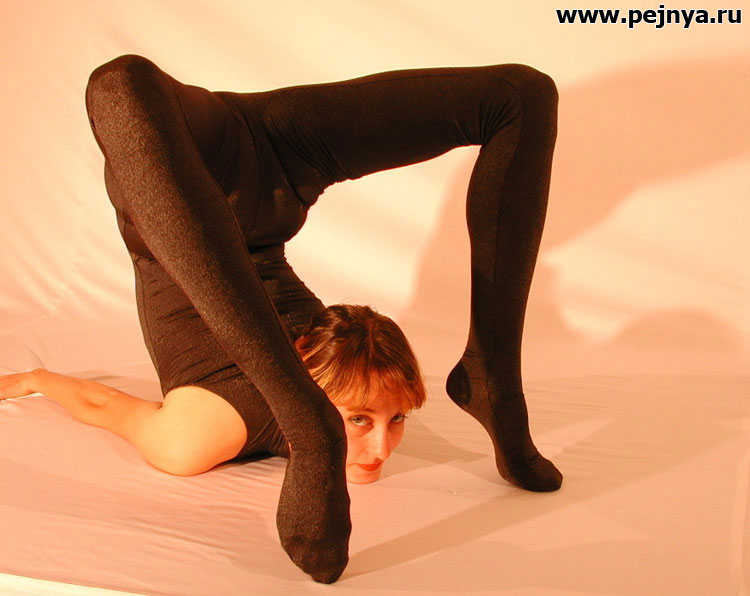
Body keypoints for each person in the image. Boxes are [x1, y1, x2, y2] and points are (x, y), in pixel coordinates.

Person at [3, 54, 563, 583]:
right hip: (271, 173)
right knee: (521, 93)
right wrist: (320, 433)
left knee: (121, 88)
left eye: (393, 419)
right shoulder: (314, 379)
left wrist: (36, 380)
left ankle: (489, 379)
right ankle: (322, 425)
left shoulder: (198, 433)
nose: (382, 450)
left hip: (171, 177)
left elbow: (106, 406)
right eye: (361, 420)